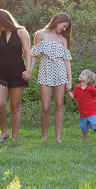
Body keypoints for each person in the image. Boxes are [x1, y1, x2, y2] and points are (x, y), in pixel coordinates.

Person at [0, 9, 31, 142]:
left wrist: (29, 70)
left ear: (4, 20)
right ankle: (4, 132)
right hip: (1, 71)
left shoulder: (21, 32)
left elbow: (27, 52)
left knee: (15, 106)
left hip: (17, 70)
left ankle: (14, 137)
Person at [26, 12, 72, 142]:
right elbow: (34, 55)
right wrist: (29, 70)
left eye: (66, 27)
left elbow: (67, 60)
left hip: (60, 73)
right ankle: (44, 136)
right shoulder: (41, 34)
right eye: (63, 26)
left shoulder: (64, 38)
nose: (64, 29)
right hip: (45, 73)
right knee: (45, 107)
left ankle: (58, 138)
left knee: (59, 105)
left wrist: (70, 79)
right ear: (57, 21)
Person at [68, 69, 96, 143]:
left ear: (88, 80)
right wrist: (69, 92)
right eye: (81, 74)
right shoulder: (77, 87)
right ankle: (85, 141)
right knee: (84, 128)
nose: (80, 75)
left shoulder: (91, 89)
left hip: (92, 111)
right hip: (82, 112)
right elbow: (74, 96)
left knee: (93, 124)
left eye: (83, 75)